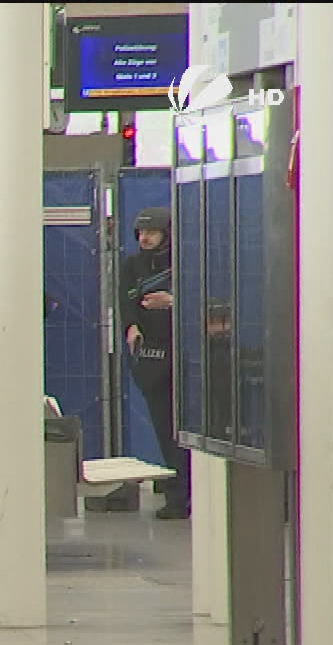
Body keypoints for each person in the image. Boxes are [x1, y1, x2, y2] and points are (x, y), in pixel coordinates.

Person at [121, 205, 188, 520]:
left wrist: (173, 302)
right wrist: (131, 326)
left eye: (152, 232)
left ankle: (189, 488)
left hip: (184, 355)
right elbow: (125, 301)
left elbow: (203, 299)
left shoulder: (183, 264)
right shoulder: (132, 266)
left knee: (187, 427)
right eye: (141, 233)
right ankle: (176, 492)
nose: (145, 238)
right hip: (150, 356)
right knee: (163, 427)